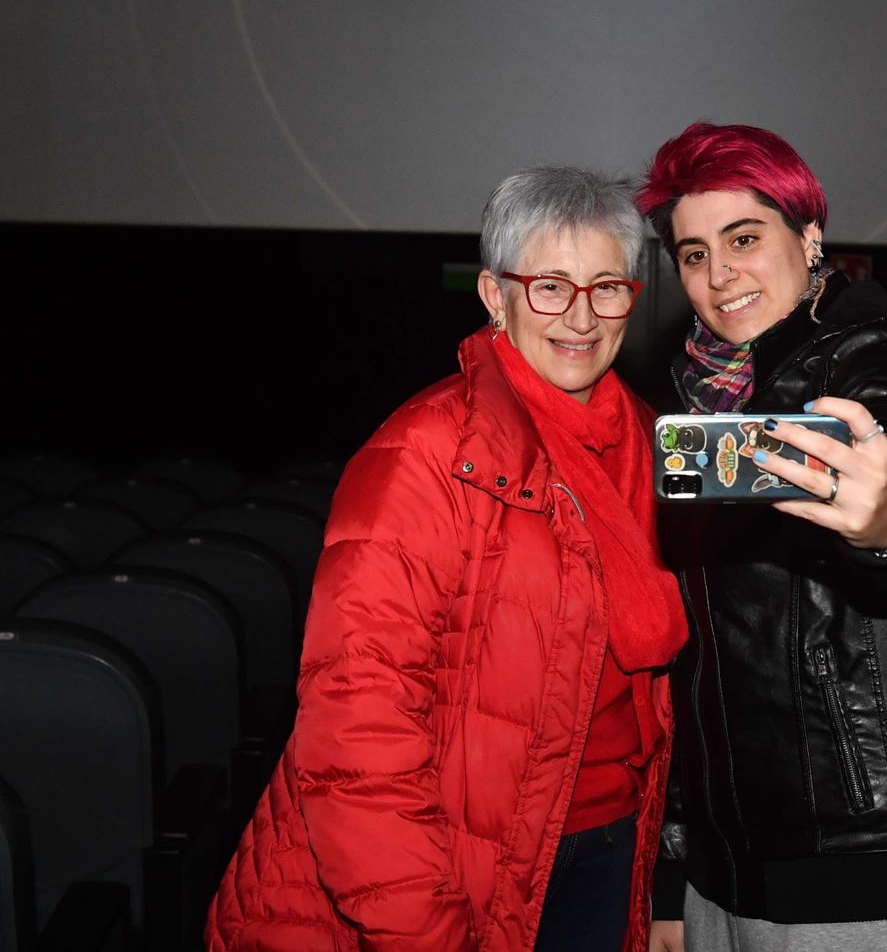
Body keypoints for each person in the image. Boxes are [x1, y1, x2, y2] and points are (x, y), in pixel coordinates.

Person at [207, 166, 686, 952]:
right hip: (455, 869)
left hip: (607, 847)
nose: (582, 314)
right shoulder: (424, 453)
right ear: (495, 297)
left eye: (607, 287)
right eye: (550, 287)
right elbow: (356, 730)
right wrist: (427, 934)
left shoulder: (644, 442)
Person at [638, 123, 887, 952]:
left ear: (810, 238)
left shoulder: (880, 357)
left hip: (884, 867)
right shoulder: (697, 410)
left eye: (744, 238)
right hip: (730, 872)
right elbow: (693, 661)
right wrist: (678, 869)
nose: (719, 272)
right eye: (693, 253)